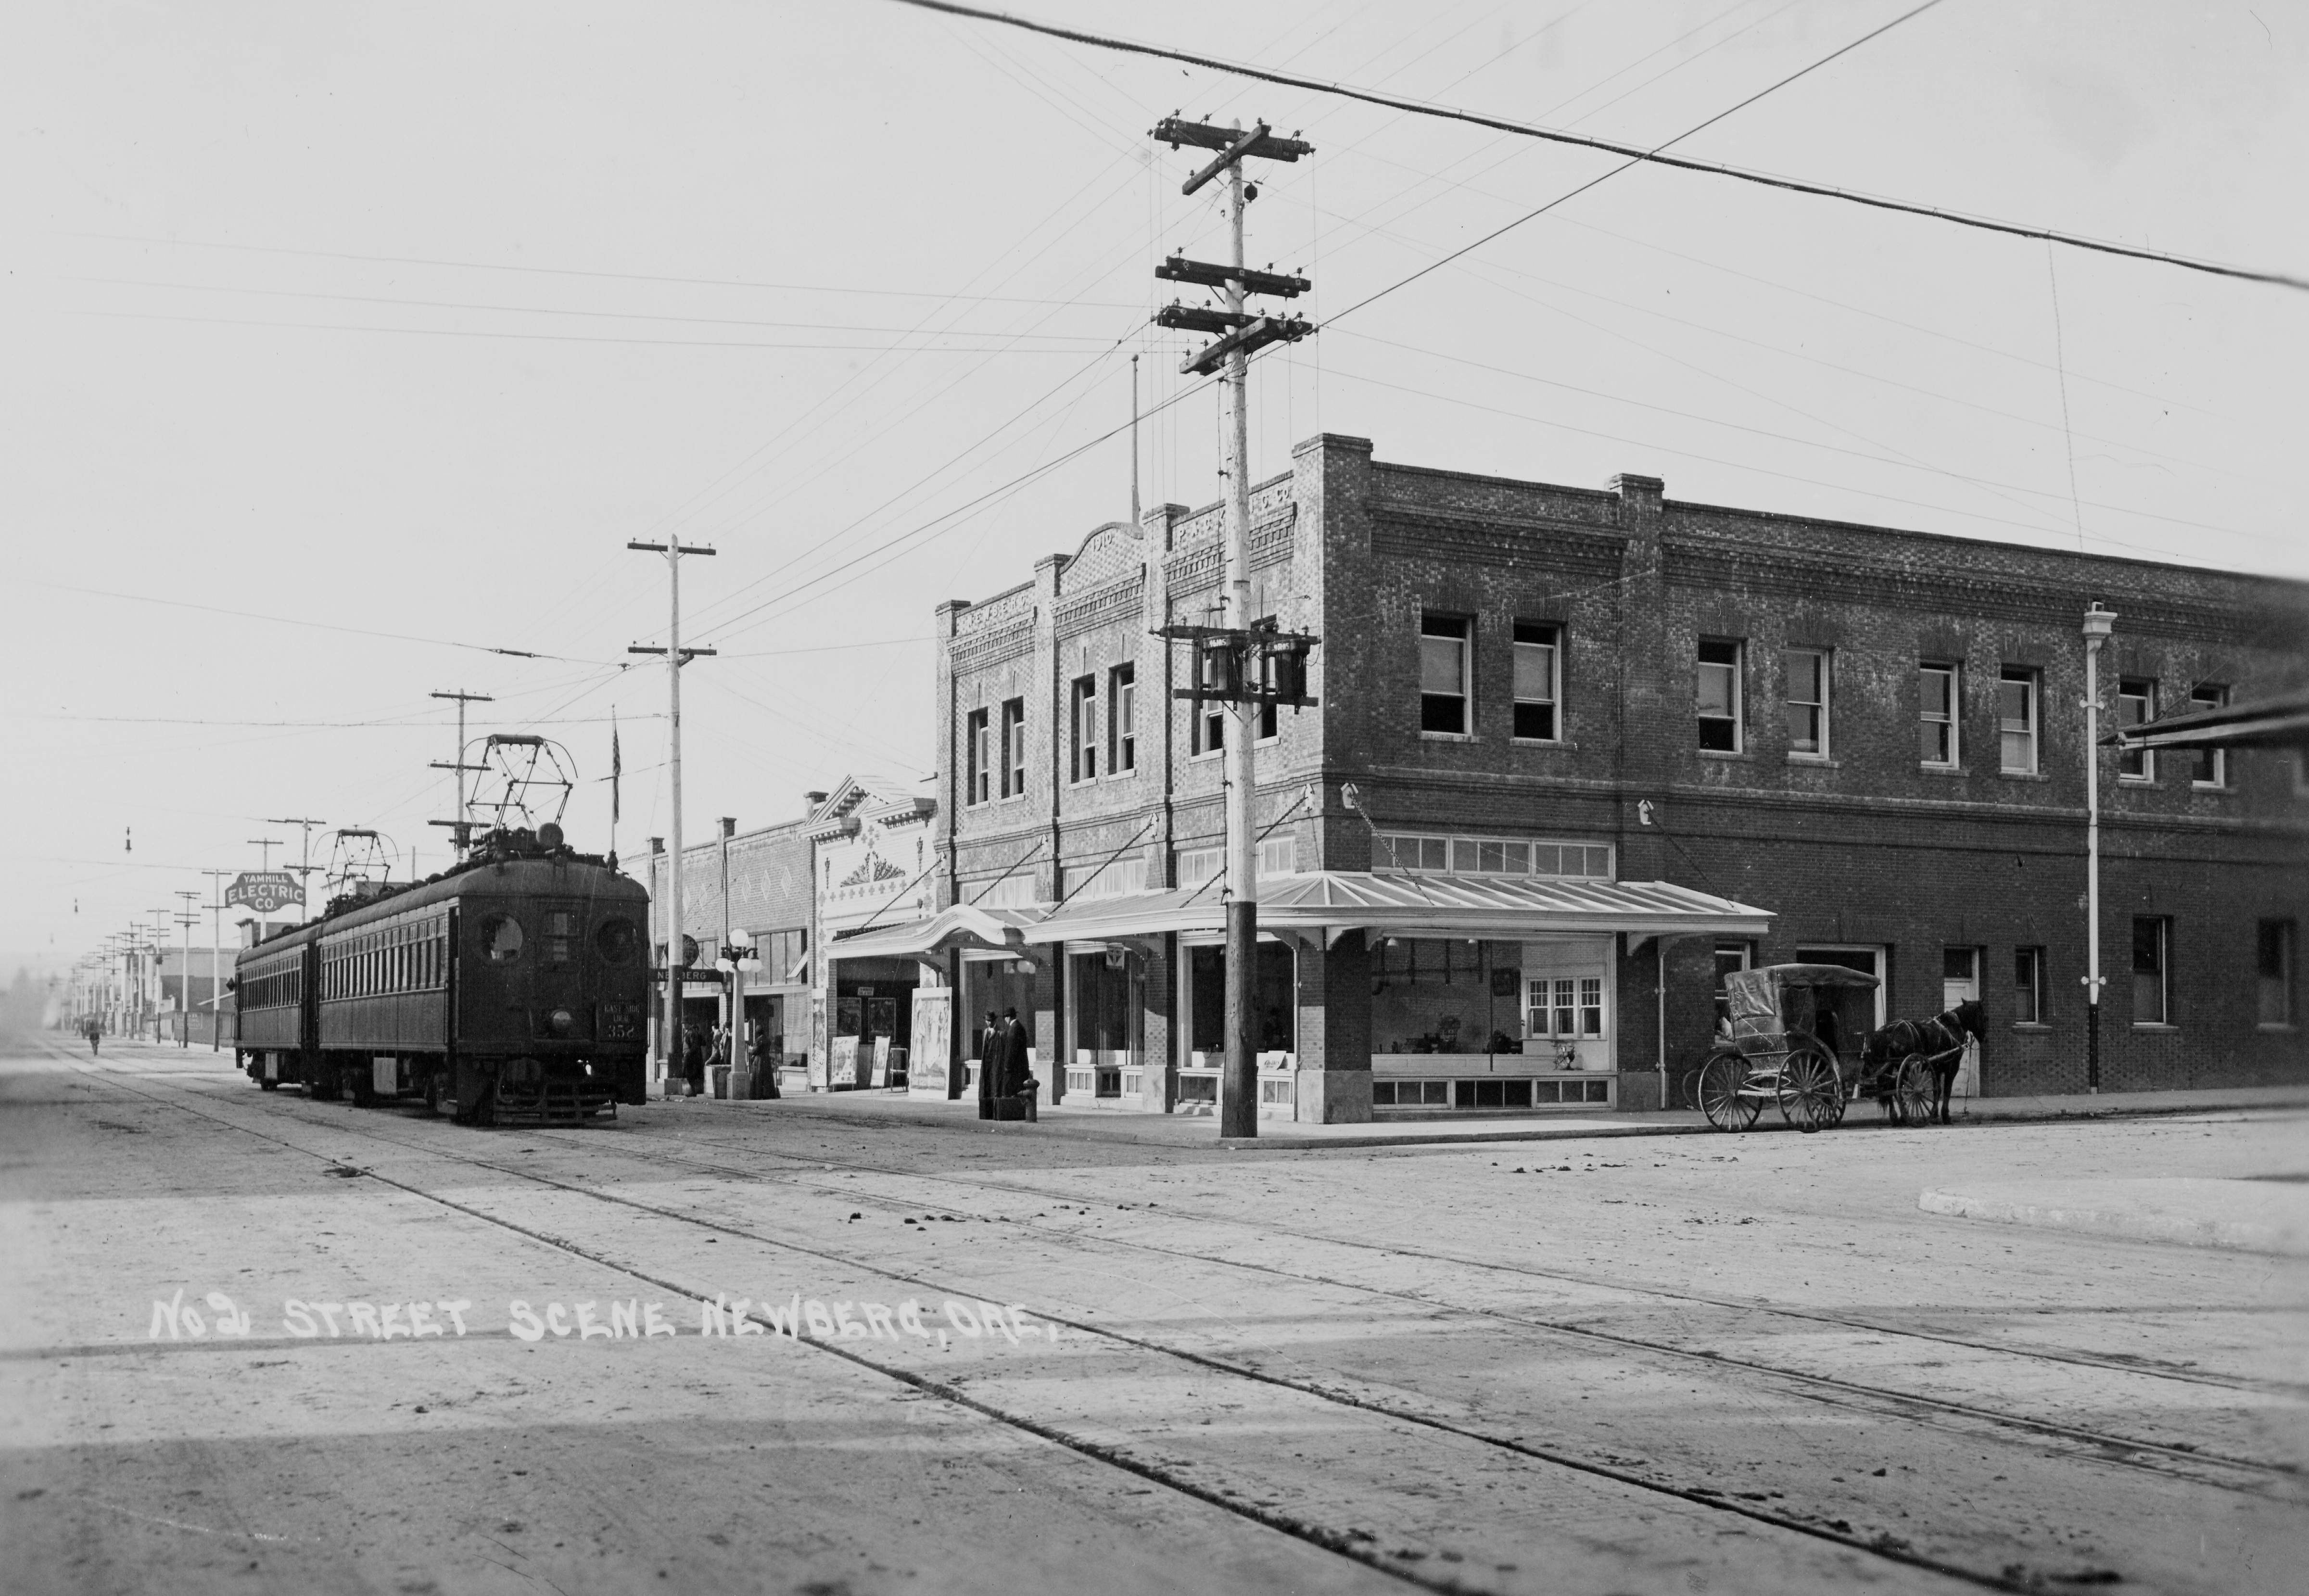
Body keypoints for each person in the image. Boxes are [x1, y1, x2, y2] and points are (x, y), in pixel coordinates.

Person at [976, 1009, 1007, 1120]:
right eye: (987, 1021)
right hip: (986, 1066)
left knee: (995, 1089)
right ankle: (986, 1113)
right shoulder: (985, 1032)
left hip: (995, 1065)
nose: (988, 1023)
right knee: (986, 1088)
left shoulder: (1000, 1033)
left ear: (994, 1021)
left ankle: (994, 1113)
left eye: (990, 1021)